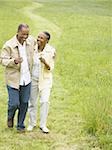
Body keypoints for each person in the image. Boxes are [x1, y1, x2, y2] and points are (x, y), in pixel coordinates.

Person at [0, 23, 35, 132]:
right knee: (14, 103)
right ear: (18, 32)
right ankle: (10, 116)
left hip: (27, 79)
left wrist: (50, 52)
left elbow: (41, 43)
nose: (25, 37)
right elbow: (2, 60)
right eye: (23, 34)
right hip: (13, 80)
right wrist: (13, 61)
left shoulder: (30, 41)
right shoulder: (9, 44)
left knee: (24, 103)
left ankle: (20, 125)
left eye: (27, 34)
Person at [27, 31, 56, 133]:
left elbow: (50, 68)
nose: (38, 39)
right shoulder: (32, 48)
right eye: (38, 37)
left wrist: (45, 62)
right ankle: (32, 123)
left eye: (41, 38)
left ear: (47, 41)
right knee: (32, 102)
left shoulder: (51, 51)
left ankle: (43, 125)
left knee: (44, 101)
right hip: (33, 79)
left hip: (45, 80)